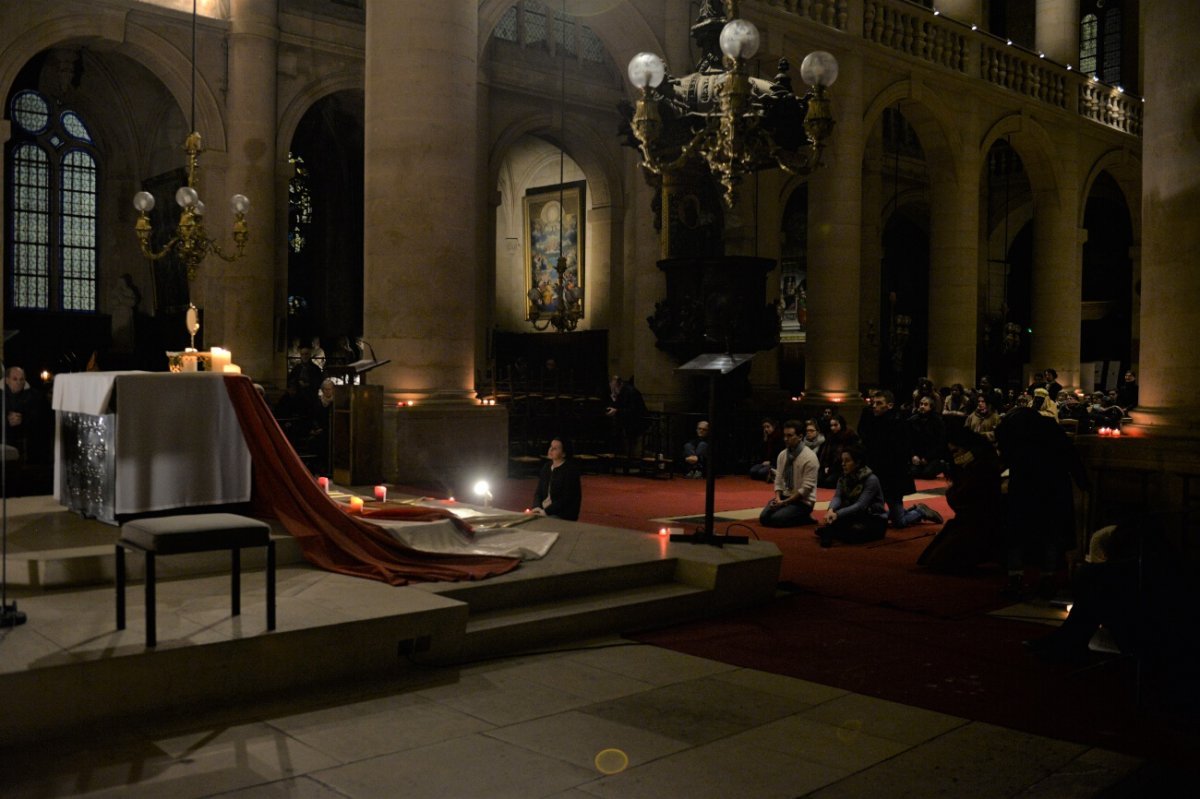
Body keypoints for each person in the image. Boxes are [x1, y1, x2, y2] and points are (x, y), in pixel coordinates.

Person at [995, 395, 1089, 599]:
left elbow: (1005, 457)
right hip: (1053, 487)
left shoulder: (1012, 430)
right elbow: (1070, 455)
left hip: (1025, 487)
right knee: (1050, 534)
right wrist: (1083, 482)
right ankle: (1048, 578)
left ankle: (1016, 579)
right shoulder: (1049, 429)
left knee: (1017, 534)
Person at [917, 427, 1005, 571]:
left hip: (980, 522)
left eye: (957, 451)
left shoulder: (982, 466)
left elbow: (963, 497)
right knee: (934, 558)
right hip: (968, 519)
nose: (955, 457)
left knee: (941, 559)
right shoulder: (967, 466)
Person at [858, 390, 941, 528]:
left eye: (879, 403)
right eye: (874, 403)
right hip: (877, 472)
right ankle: (901, 512)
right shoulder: (872, 421)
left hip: (893, 477)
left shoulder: (898, 423)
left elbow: (901, 453)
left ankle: (920, 511)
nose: (874, 406)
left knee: (899, 522)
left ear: (889, 405)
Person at [819, 444, 889, 547]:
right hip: (856, 516)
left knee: (853, 533)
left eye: (847, 461)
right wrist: (831, 510)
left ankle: (833, 531)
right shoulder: (843, 477)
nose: (843, 464)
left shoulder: (871, 479)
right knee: (837, 524)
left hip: (874, 519)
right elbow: (837, 496)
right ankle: (834, 530)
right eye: (842, 461)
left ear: (858, 462)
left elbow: (860, 505)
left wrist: (837, 514)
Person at [759, 420, 819, 527]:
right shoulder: (782, 455)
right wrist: (778, 499)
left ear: (800, 437)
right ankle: (794, 514)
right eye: (785, 435)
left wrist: (785, 502)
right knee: (764, 518)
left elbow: (805, 489)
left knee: (776, 520)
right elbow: (778, 480)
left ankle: (804, 516)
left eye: (790, 435)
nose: (786, 439)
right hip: (784, 497)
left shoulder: (810, 457)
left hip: (802, 502)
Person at [4, 366, 50, 464]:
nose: (18, 382)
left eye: (21, 379)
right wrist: (6, 420)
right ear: (7, 380)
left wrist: (23, 419)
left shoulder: (35, 396)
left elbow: (42, 418)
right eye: (15, 379)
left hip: (28, 441)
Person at [530, 437, 581, 521]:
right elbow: (539, 492)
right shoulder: (546, 467)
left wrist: (546, 512)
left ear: (564, 453)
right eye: (551, 446)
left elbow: (566, 499)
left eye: (555, 448)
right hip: (544, 510)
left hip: (561, 514)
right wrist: (536, 507)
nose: (551, 450)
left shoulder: (570, 471)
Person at [605, 374, 647, 464]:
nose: (612, 389)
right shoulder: (622, 393)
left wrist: (617, 410)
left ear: (618, 385)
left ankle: (634, 465)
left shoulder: (630, 392)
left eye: (613, 386)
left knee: (635, 448)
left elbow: (632, 410)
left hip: (637, 423)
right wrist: (613, 399)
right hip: (629, 424)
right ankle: (630, 464)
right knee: (629, 447)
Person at [907, 394, 947, 479]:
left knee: (927, 474)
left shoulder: (938, 421)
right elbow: (909, 440)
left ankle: (942, 465)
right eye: (921, 404)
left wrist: (927, 458)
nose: (922, 406)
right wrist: (913, 455)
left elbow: (940, 443)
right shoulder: (913, 420)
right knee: (914, 473)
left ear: (931, 407)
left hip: (932, 455)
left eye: (925, 405)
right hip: (918, 455)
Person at [816, 414, 857, 489]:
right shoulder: (830, 437)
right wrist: (825, 466)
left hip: (842, 468)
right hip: (830, 467)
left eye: (835, 425)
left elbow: (848, 456)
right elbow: (825, 455)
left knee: (829, 482)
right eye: (831, 425)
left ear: (841, 424)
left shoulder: (849, 436)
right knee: (819, 480)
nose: (833, 428)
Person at [749, 417, 785, 482]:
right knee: (753, 471)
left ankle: (774, 474)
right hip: (765, 463)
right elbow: (761, 453)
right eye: (764, 427)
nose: (766, 429)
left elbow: (780, 455)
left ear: (773, 427)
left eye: (768, 427)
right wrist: (765, 440)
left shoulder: (779, 438)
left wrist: (770, 462)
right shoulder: (766, 438)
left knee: (761, 472)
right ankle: (770, 475)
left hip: (775, 463)